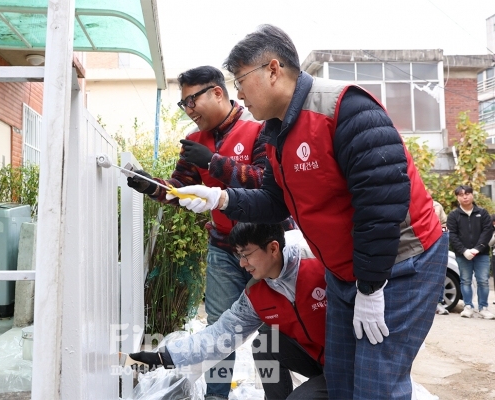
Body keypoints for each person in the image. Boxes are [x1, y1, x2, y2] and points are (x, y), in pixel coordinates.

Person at [167, 24, 448, 399]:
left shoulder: (345, 110)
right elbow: (273, 199)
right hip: (346, 270)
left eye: (240, 80)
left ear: (272, 69)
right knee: (341, 381)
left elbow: (382, 207)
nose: (238, 94)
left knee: (375, 385)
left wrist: (370, 286)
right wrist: (220, 199)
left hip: (399, 265)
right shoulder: (274, 133)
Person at [126, 65, 294, 400]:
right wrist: (153, 187)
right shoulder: (193, 142)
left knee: (276, 328)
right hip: (222, 247)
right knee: (220, 326)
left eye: (192, 100)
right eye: (183, 104)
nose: (188, 110)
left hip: (267, 248)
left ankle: (284, 395)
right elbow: (180, 191)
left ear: (217, 92)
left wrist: (213, 162)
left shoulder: (259, 129)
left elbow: (264, 182)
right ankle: (216, 396)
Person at [129, 223, 328, 400]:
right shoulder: (255, 293)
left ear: (273, 248)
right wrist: (164, 357)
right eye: (239, 256)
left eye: (247, 255)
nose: (242, 264)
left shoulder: (320, 262)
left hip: (348, 362)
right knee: (264, 346)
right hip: (316, 359)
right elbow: (221, 334)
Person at [447, 185, 494, 319]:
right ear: (457, 197)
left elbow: (487, 231)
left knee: (483, 281)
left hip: (482, 253)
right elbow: (452, 235)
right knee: (465, 280)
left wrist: (477, 248)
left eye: (467, 193)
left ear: (472, 195)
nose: (465, 197)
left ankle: (483, 307)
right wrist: (464, 250)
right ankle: (468, 306)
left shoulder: (482, 213)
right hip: (463, 255)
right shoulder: (453, 215)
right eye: (461, 194)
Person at [433, 199, 450, 315]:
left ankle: (438, 303)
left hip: (438, 238)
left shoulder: (434, 205)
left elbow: (435, 219)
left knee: (439, 273)